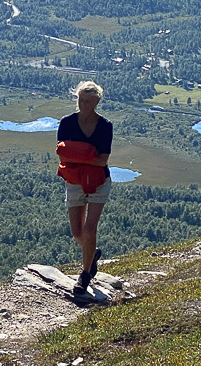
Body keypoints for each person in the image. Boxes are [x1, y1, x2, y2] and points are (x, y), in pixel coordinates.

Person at [56, 81, 112, 294]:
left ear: (97, 101)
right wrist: (89, 154)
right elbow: (62, 154)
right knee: (77, 232)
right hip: (74, 182)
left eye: (88, 100)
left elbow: (103, 160)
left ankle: (85, 276)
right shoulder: (67, 122)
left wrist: (76, 155)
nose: (83, 104)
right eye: (80, 100)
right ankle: (92, 253)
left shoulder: (105, 125)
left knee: (90, 229)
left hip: (98, 182)